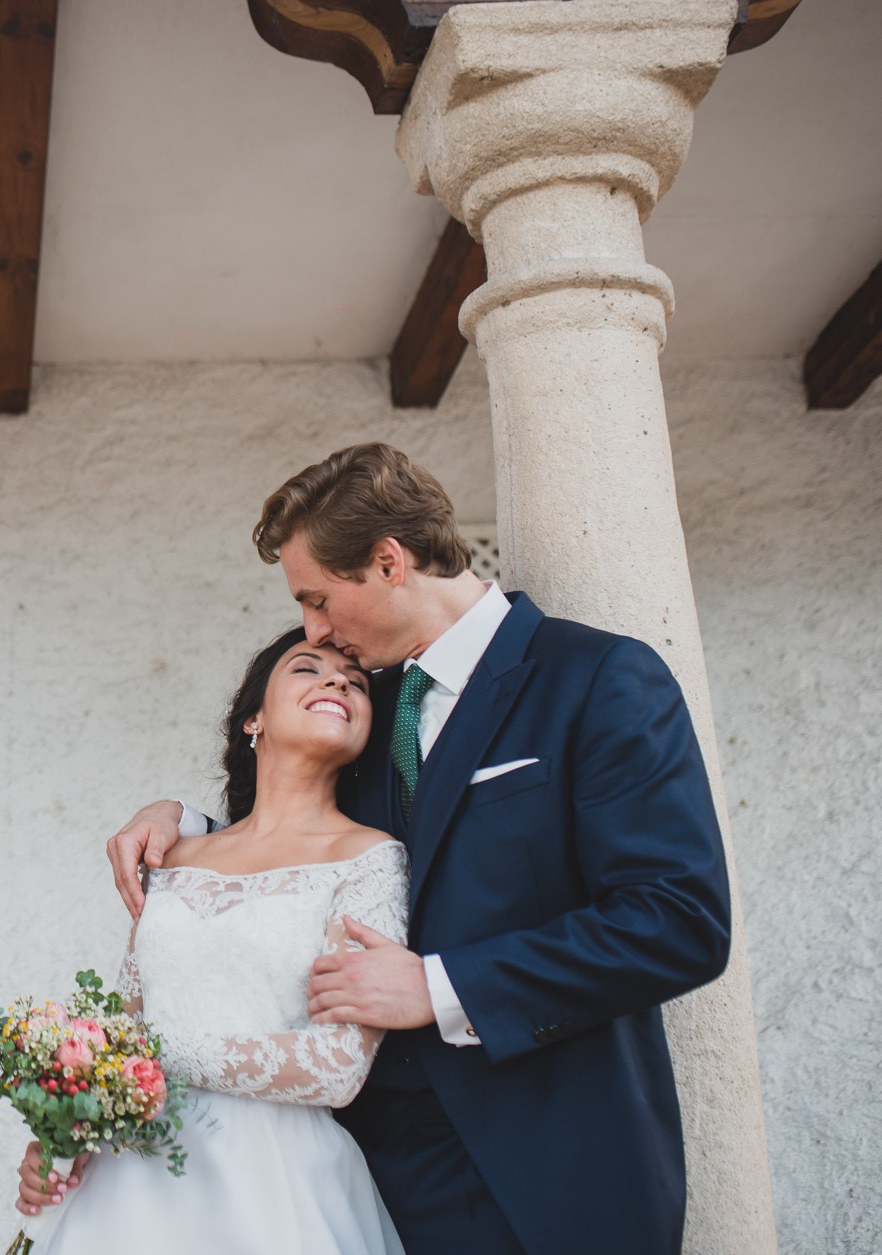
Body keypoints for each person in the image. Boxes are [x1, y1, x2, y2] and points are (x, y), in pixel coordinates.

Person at [103, 443, 732, 1255]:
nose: (315, 629)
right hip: (365, 1184)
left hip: (548, 1170)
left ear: (390, 562)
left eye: (319, 598)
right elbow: (293, 840)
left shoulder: (596, 677)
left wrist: (439, 986)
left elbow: (676, 919)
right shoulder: (364, 704)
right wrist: (187, 820)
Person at [15, 627, 408, 1255]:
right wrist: (68, 1127)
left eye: (356, 682)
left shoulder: (366, 859)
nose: (337, 680)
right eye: (308, 668)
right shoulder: (173, 856)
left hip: (275, 1185)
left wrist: (149, 1061)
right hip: (130, 1182)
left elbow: (337, 1068)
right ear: (253, 718)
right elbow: (122, 1026)